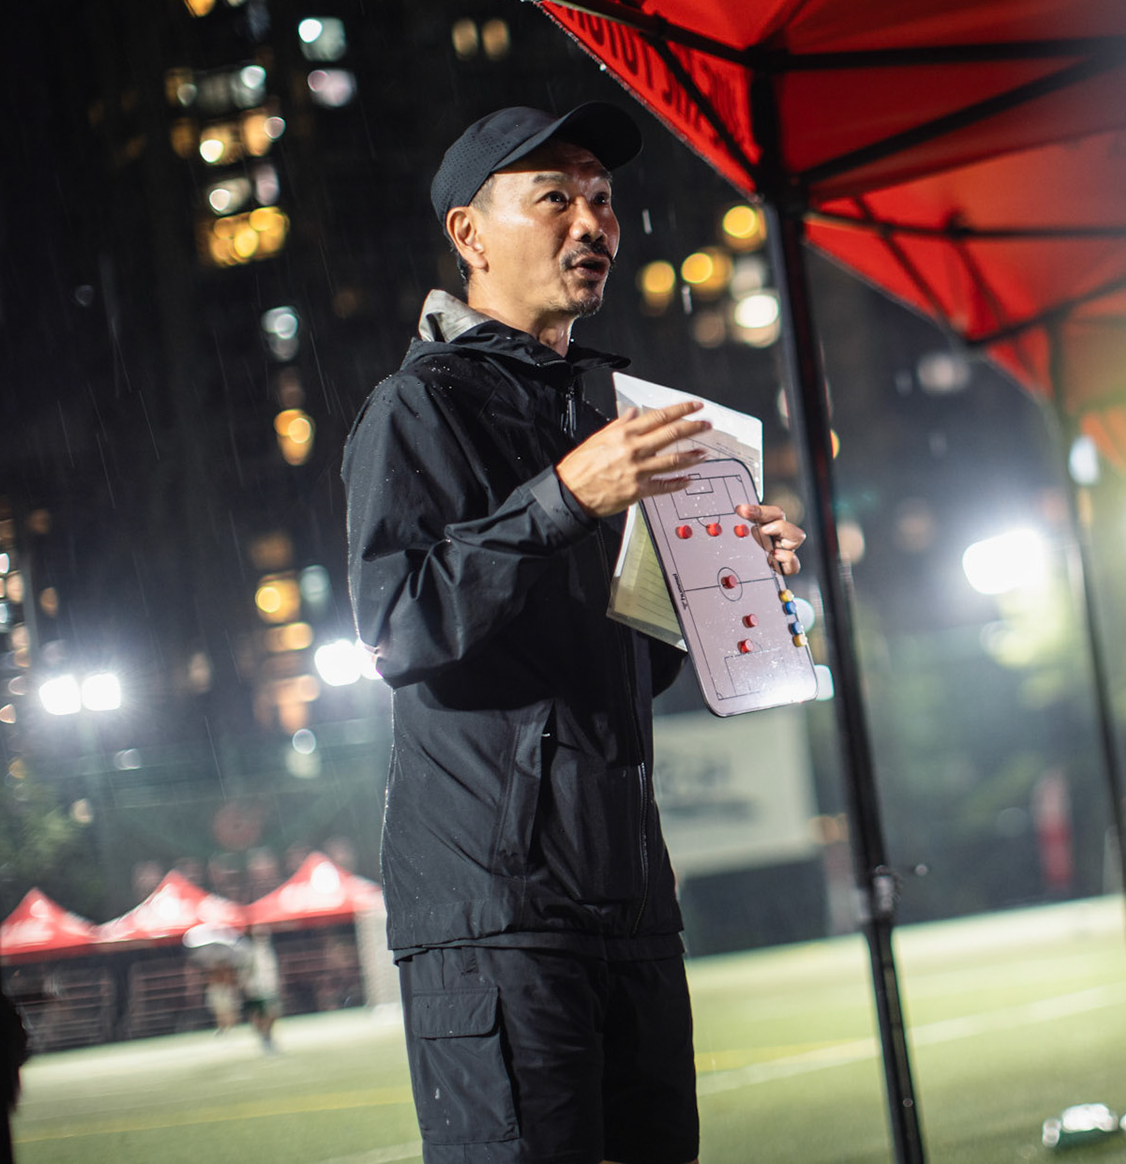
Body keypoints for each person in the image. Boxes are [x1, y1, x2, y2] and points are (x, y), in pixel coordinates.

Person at [342, 103, 804, 1164]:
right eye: (555, 196)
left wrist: (724, 582)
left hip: (633, 897)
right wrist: (560, 498)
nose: (591, 220)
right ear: (470, 234)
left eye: (603, 197)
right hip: (495, 913)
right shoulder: (415, 410)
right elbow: (399, 626)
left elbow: (632, 668)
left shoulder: (611, 408)